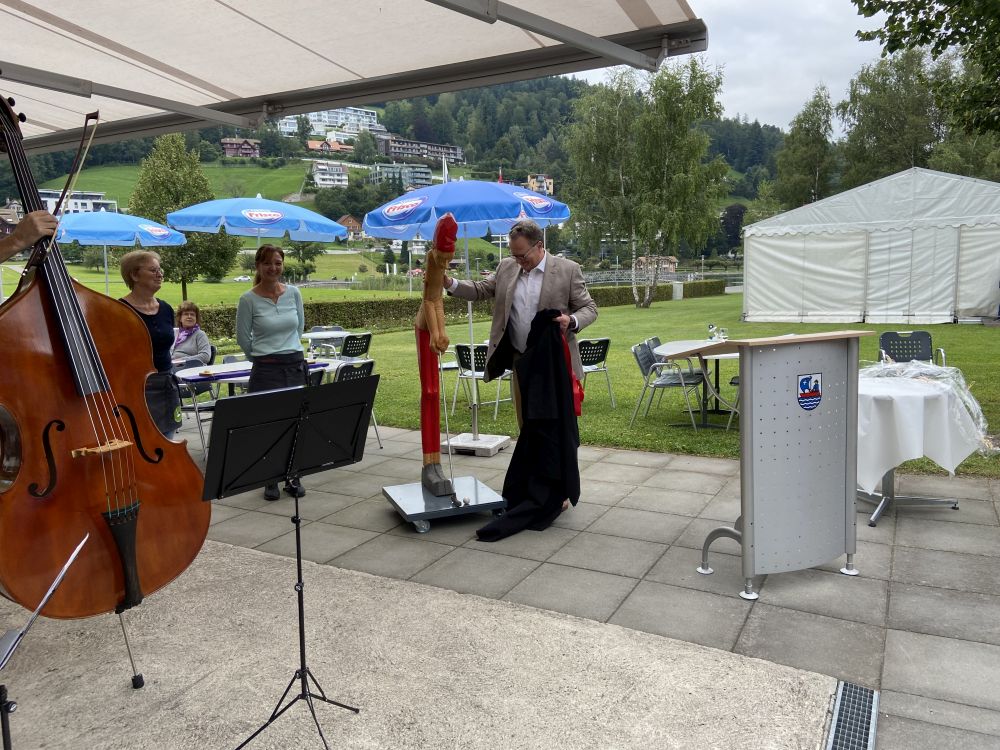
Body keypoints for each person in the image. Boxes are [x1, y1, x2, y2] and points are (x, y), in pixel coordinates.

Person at [443, 219, 597, 427]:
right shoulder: (507, 267)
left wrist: (571, 321)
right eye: (514, 255)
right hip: (520, 359)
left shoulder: (568, 270)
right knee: (525, 423)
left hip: (554, 360)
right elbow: (481, 289)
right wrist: (450, 283)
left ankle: (556, 460)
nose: (518, 261)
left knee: (558, 426)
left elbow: (589, 308)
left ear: (539, 246)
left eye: (522, 255)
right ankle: (530, 459)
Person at [236, 244, 307, 501]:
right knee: (268, 424)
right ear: (258, 266)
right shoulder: (248, 299)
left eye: (277, 263)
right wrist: (264, 356)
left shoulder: (294, 293)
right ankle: (270, 478)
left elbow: (299, 328)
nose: (273, 268)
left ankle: (293, 475)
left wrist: (288, 349)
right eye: (267, 263)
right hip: (266, 369)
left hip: (295, 365)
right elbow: (243, 338)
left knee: (296, 422)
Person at [414, 213, 458, 497]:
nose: (445, 262)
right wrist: (434, 333)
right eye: (443, 256)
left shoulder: (439, 262)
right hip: (423, 327)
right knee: (429, 391)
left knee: (434, 390)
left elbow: (439, 300)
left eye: (448, 256)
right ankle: (429, 462)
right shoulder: (432, 260)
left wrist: (442, 331)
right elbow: (428, 301)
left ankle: (435, 461)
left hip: (432, 324)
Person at [119, 250, 181, 439]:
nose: (160, 274)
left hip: (166, 383)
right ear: (134, 275)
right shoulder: (120, 311)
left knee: (168, 440)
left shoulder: (166, 309)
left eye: (160, 269)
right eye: (153, 270)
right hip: (137, 388)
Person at [171, 300, 212, 365]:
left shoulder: (200, 334)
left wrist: (183, 360)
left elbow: (205, 356)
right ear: (180, 318)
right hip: (171, 368)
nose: (189, 316)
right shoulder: (174, 333)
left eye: (192, 314)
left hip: (192, 368)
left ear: (196, 318)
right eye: (186, 314)